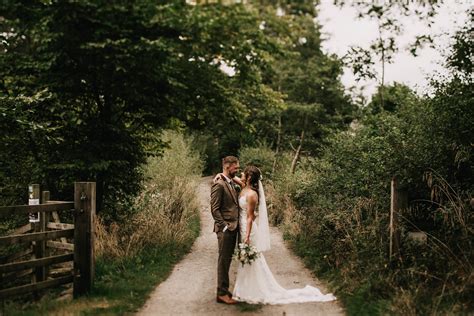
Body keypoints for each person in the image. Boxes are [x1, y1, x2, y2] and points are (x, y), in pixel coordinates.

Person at [230, 165, 337, 304]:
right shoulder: (245, 186)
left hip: (248, 229)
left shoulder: (252, 194)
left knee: (253, 258)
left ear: (249, 177)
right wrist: (222, 174)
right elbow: (233, 177)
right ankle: (245, 289)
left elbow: (251, 217)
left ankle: (253, 290)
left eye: (244, 174)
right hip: (242, 226)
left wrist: (247, 236)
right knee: (248, 258)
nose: (241, 175)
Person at [210, 156, 240, 305]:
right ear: (228, 167)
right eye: (236, 168)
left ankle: (224, 289)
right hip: (226, 229)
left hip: (233, 227)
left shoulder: (229, 182)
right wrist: (225, 226)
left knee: (227, 260)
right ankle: (221, 293)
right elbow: (214, 209)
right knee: (223, 260)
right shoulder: (219, 185)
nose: (238, 170)